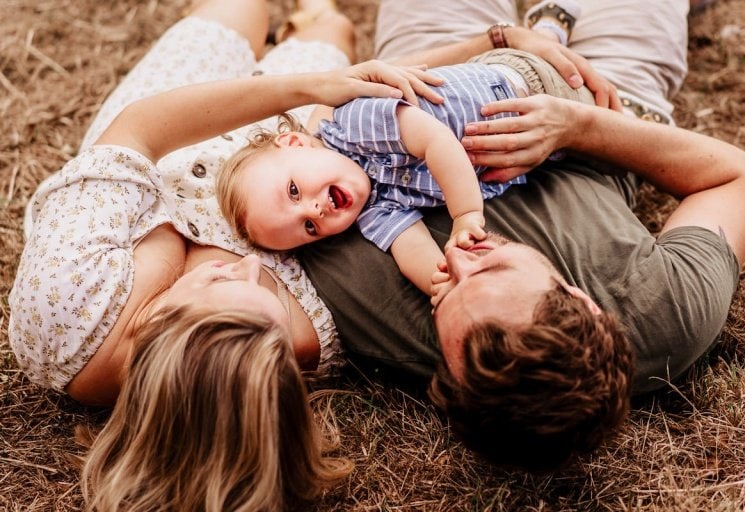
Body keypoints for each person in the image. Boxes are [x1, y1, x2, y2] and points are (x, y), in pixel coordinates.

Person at [8, 0, 442, 509]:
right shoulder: (289, 345)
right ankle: (308, 22)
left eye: (222, 281)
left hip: (173, 132)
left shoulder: (66, 303)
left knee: (243, 9)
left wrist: (310, 85)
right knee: (333, 27)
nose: (255, 265)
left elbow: (142, 130)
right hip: (285, 155)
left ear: (161, 330)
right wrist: (317, 90)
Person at [300, 0, 745, 471]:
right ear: (582, 301)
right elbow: (731, 174)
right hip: (610, 98)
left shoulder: (389, 315)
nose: (455, 259)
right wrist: (576, 126)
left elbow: (319, 134)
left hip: (427, 86)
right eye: (489, 263)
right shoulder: (669, 315)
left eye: (444, 295)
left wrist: (496, 39)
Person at [217, 47, 594, 295]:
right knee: (585, 150)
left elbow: (435, 141)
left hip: (528, 86)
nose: (314, 211)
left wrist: (466, 216)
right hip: (542, 148)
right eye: (309, 228)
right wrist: (441, 282)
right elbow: (409, 246)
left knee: (605, 100)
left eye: (294, 192)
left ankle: (551, 32)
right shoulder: (373, 212)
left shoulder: (353, 125)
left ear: (296, 144)